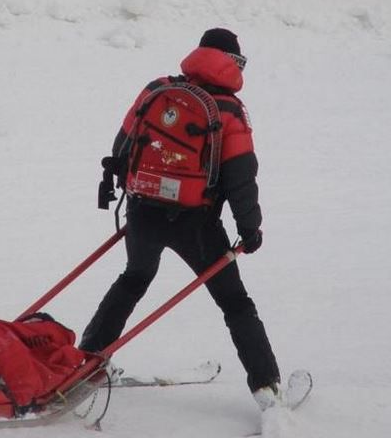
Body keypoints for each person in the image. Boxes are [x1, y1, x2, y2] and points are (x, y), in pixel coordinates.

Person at [81, 27, 282, 410]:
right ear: (234, 64)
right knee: (235, 303)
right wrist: (249, 229)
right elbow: (242, 177)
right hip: (198, 223)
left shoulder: (158, 89)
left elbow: (122, 145)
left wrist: (140, 191)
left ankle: (87, 361)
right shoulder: (229, 111)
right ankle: (267, 387)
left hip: (143, 209)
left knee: (134, 278)